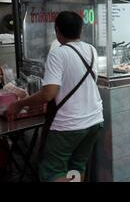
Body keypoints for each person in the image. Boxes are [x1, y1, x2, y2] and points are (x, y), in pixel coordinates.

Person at [8, 11, 104, 182]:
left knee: (53, 171)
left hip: (68, 125)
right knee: (77, 166)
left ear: (57, 30)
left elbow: (49, 93)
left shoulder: (58, 54)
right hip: (94, 121)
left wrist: (19, 104)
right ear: (80, 30)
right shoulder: (91, 50)